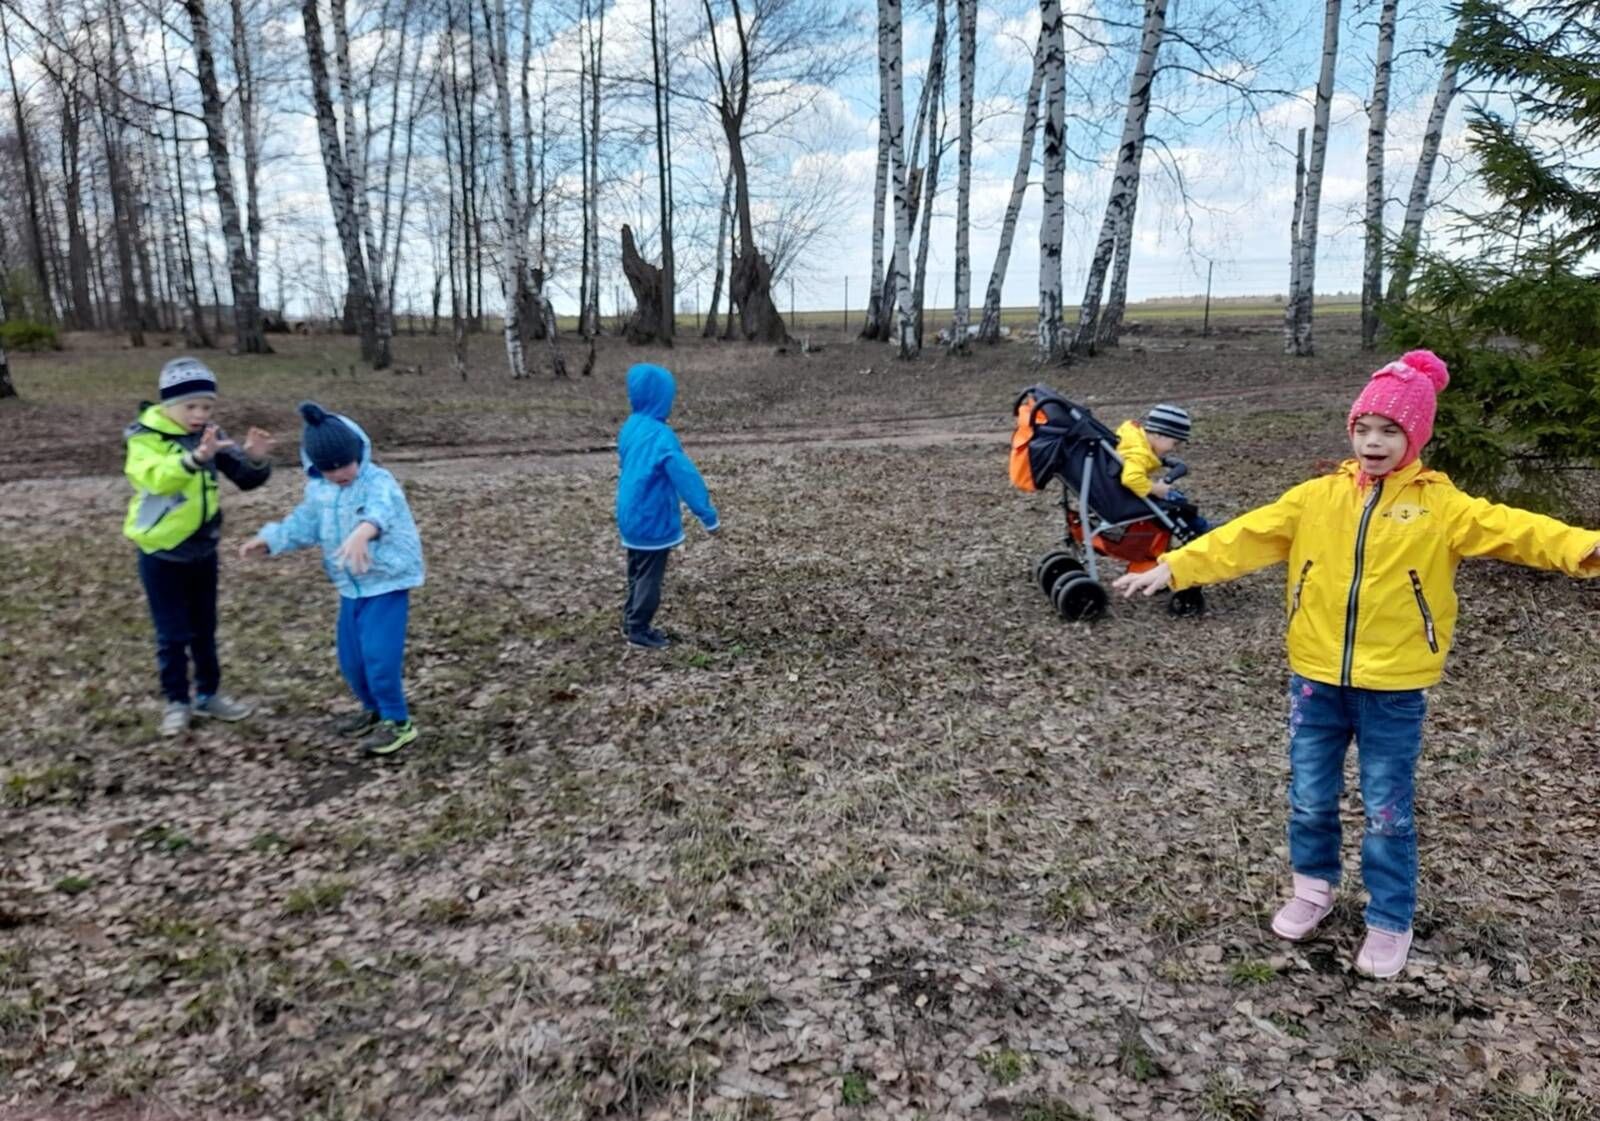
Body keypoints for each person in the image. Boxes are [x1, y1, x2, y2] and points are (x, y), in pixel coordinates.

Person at [1114, 351, 1600, 978]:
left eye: (1390, 431)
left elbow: (1523, 531)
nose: (1373, 443)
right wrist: (1174, 566)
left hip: (1393, 689)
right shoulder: (1316, 498)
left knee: (1385, 810)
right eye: (1363, 428)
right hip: (1315, 679)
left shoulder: (1443, 509)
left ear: (1415, 436)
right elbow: (1245, 537)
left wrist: (1588, 549)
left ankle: (1390, 918)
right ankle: (1312, 888)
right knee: (1311, 798)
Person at [240, 402, 425, 758]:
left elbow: (381, 511)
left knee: (379, 656)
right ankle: (373, 711)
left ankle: (399, 722)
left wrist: (362, 533)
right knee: (351, 660)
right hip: (350, 587)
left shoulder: (378, 482)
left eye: (344, 464)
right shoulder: (319, 490)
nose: (339, 473)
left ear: (359, 453)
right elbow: (304, 524)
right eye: (328, 468)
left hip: (386, 582)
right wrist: (271, 539)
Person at [123, 357, 276, 738]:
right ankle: (177, 701)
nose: (199, 414)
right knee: (172, 634)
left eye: (207, 406)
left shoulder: (210, 433)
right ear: (167, 405)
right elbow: (154, 479)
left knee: (204, 628)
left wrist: (256, 458)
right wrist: (194, 459)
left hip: (203, 550)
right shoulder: (146, 436)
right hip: (161, 553)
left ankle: (209, 694)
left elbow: (244, 476)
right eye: (190, 406)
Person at [615, 362, 719, 649]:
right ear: (661, 398)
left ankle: (631, 620)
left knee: (637, 570)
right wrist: (707, 515)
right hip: (651, 518)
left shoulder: (631, 426)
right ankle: (639, 630)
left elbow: (625, 461)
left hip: (630, 514)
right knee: (650, 578)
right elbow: (686, 477)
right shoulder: (662, 437)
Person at [1115, 404, 1210, 533]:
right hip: (1129, 498)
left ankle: (1200, 526)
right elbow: (1130, 478)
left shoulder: (1132, 439)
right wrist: (1155, 489)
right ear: (1158, 434)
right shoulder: (1140, 453)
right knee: (1177, 501)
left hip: (1124, 494)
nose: (1175, 448)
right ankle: (1204, 530)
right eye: (1175, 443)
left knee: (1175, 497)